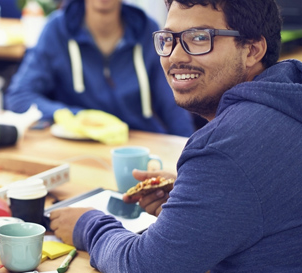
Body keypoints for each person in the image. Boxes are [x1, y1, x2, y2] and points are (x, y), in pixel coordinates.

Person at [49, 0, 302, 271]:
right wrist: (194, 196)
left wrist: (88, 224)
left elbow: (146, 266)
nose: (175, 56)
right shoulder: (286, 99)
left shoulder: (224, 148)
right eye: (168, 39)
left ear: (252, 50)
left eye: (199, 38)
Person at [4, 0, 195, 137]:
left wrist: (188, 147)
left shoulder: (147, 29)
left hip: (138, 144)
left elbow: (173, 105)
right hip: (80, 148)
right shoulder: (57, 30)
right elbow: (20, 97)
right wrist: (78, 117)